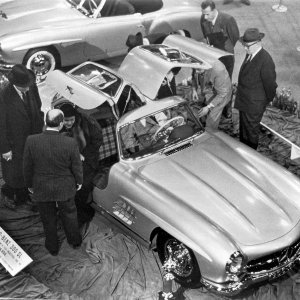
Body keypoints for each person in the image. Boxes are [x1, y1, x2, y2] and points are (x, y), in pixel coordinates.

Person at [23, 109, 83, 256]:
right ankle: (74, 241)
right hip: (65, 187)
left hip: (42, 187)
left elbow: (27, 167)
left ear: (45, 122)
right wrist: (79, 181)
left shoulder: (31, 140)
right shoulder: (70, 142)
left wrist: (30, 185)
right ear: (61, 124)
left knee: (47, 218)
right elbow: (76, 165)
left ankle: (52, 247)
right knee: (69, 214)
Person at [0, 64, 44, 206]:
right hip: (14, 142)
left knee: (30, 167)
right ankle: (18, 196)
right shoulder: (3, 95)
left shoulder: (31, 87)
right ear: (15, 84)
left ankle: (25, 191)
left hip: (33, 137)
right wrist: (5, 148)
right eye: (24, 86)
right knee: (15, 171)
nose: (28, 88)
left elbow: (38, 106)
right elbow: (1, 125)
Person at [59, 103, 103, 226]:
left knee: (83, 187)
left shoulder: (88, 123)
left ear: (76, 117)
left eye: (71, 120)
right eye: (65, 121)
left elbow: (97, 141)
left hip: (87, 160)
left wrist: (83, 155)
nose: (68, 123)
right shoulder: (56, 124)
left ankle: (80, 212)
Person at [235, 28, 277, 150]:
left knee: (250, 134)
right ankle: (244, 151)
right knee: (244, 131)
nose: (245, 48)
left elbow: (270, 86)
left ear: (258, 42)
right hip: (246, 102)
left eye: (247, 46)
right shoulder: (251, 54)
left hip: (254, 105)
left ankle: (250, 155)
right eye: (244, 45)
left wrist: (263, 102)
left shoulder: (265, 60)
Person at [200, 0, 239, 117]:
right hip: (213, 56)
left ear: (214, 10)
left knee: (226, 83)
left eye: (207, 14)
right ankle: (214, 103)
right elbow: (206, 35)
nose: (205, 17)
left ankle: (227, 109)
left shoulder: (228, 20)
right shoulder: (203, 19)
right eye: (203, 14)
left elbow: (235, 37)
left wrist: (226, 48)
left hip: (226, 56)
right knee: (215, 81)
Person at [197, 60, 232, 130]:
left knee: (211, 120)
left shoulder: (219, 70)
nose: (196, 72)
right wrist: (193, 89)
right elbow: (194, 76)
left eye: (198, 69)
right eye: (195, 69)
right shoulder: (196, 63)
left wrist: (208, 107)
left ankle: (210, 133)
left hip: (222, 94)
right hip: (210, 89)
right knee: (205, 110)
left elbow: (222, 93)